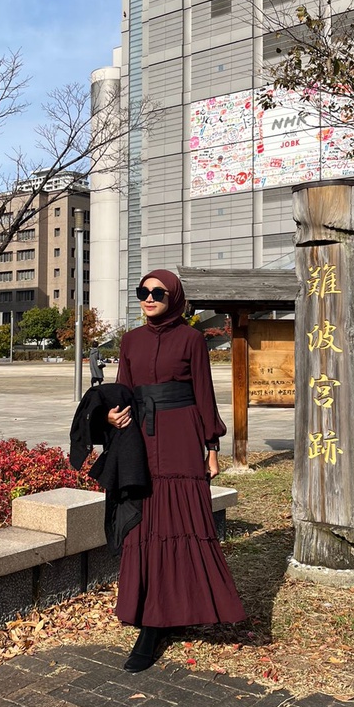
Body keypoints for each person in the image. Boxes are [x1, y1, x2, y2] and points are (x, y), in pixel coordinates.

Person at [106, 268, 246, 672]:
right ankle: (150, 619)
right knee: (146, 524)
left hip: (181, 438)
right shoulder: (130, 341)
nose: (149, 298)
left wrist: (212, 448)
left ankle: (174, 612)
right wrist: (112, 416)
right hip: (140, 439)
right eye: (143, 292)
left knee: (180, 521)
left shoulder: (191, 339)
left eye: (158, 293)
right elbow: (123, 390)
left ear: (175, 298)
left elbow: (204, 393)